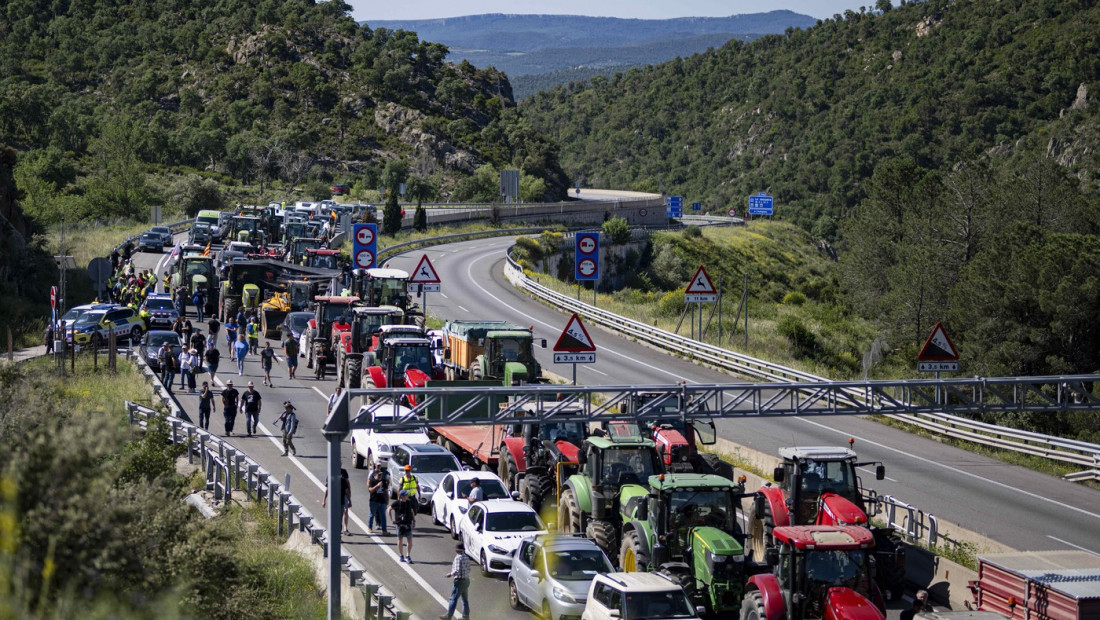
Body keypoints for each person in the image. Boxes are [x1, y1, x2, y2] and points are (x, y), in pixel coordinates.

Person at [441, 543, 471, 620]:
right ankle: (465, 616)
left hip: (459, 581)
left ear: (457, 550)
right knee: (465, 599)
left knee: (453, 599)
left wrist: (450, 574)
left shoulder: (458, 558)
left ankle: (448, 616)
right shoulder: (466, 557)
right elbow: (469, 569)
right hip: (466, 580)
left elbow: (457, 570)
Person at [322, 468, 352, 536]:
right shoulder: (330, 476)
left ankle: (342, 531)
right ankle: (334, 533)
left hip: (342, 500)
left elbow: (347, 488)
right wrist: (324, 500)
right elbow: (327, 489)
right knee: (334, 518)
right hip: (333, 502)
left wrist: (349, 499)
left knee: (341, 516)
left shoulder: (343, 477)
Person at [389, 490, 416, 563]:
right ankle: (401, 555)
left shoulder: (409, 502)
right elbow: (389, 509)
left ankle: (408, 555)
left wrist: (414, 520)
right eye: (406, 495)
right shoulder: (397, 503)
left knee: (409, 540)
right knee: (400, 539)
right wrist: (392, 519)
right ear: (402, 496)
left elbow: (411, 511)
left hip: (408, 523)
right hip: (400, 524)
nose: (407, 496)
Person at [367, 463, 389, 535]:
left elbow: (385, 491)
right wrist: (377, 486)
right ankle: (370, 528)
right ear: (375, 475)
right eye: (379, 475)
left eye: (381, 475)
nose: (380, 476)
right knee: (372, 514)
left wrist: (387, 500)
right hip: (374, 501)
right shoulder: (372, 481)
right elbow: (370, 490)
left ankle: (384, 530)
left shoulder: (383, 482)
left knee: (383, 516)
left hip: (382, 501)